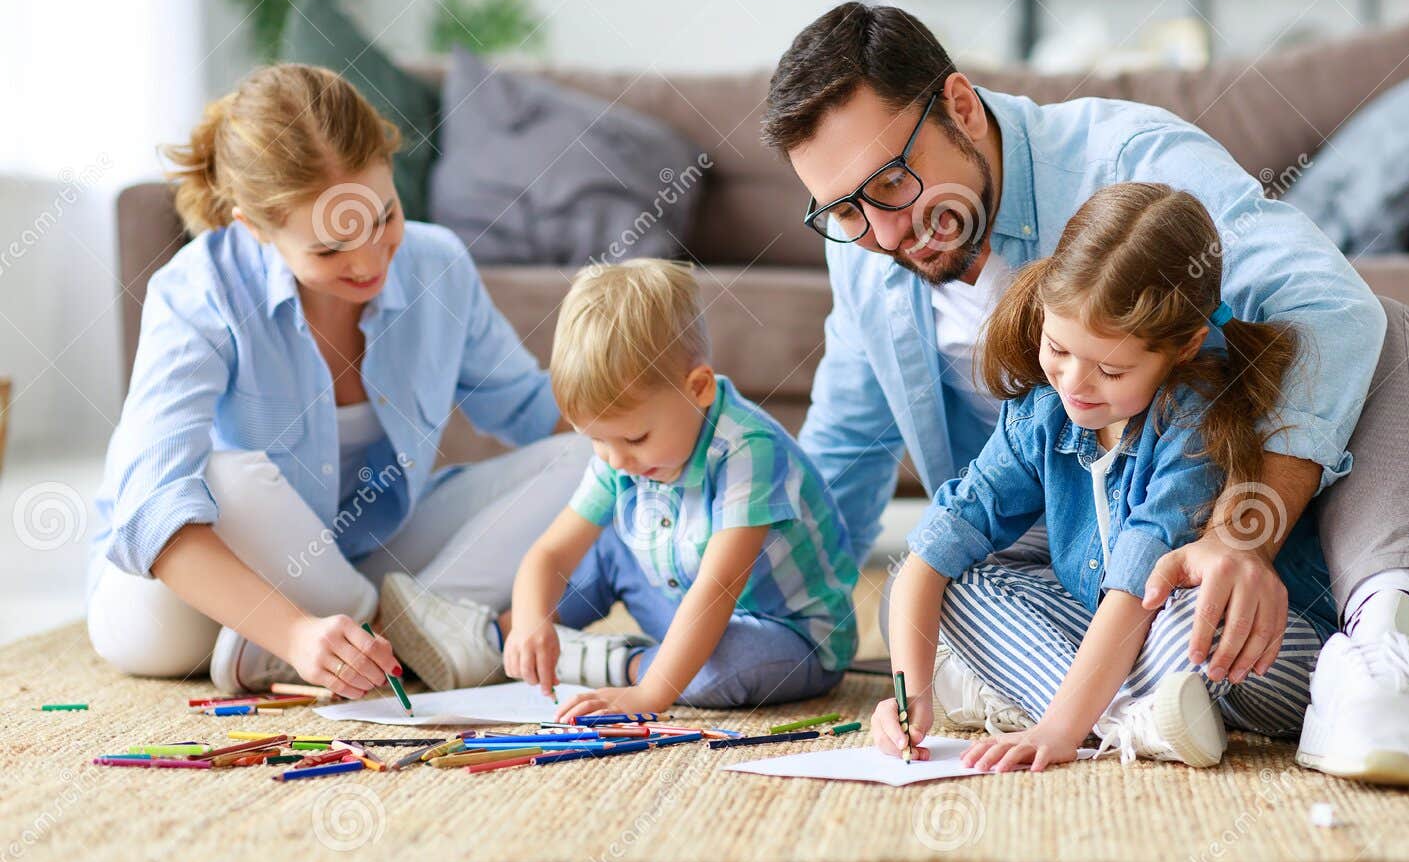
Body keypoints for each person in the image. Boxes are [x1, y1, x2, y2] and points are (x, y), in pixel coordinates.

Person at [765, 2, 1409, 788]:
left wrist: (1242, 536)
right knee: (943, 593)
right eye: (845, 211)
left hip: (1207, 509)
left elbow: (1328, 306)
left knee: (1385, 324)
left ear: (959, 105)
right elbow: (848, 451)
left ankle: (1381, 628)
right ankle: (1362, 645)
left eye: (892, 183)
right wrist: (759, 619)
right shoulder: (867, 256)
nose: (885, 236)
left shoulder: (1126, 158)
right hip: (1060, 547)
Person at [86, 63, 591, 698]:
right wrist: (295, 633)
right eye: (328, 249)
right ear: (256, 228)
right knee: (223, 475)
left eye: (383, 218)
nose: (369, 260)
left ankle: (389, 635)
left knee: (587, 457)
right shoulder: (200, 290)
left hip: (357, 563)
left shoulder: (438, 265)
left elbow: (531, 407)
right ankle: (372, 639)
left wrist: (684, 434)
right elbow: (151, 510)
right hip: (178, 609)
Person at [874, 182, 1334, 773]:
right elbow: (934, 551)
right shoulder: (1041, 411)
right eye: (1057, 348)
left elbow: (1136, 595)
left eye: (1111, 370)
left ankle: (1085, 714)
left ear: (1185, 347)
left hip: (1232, 639)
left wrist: (1059, 730)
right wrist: (911, 691)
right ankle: (1130, 720)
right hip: (1114, 633)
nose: (1073, 385)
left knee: (1189, 625)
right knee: (959, 590)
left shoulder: (1191, 420)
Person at [407, 258, 859, 714]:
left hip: (786, 637)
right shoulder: (620, 455)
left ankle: (617, 662)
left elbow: (717, 591)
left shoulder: (749, 450)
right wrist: (530, 620)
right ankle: (501, 640)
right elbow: (549, 554)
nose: (616, 460)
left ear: (698, 388)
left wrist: (650, 694)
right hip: (681, 606)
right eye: (597, 440)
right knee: (604, 549)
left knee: (720, 670)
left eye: (635, 438)